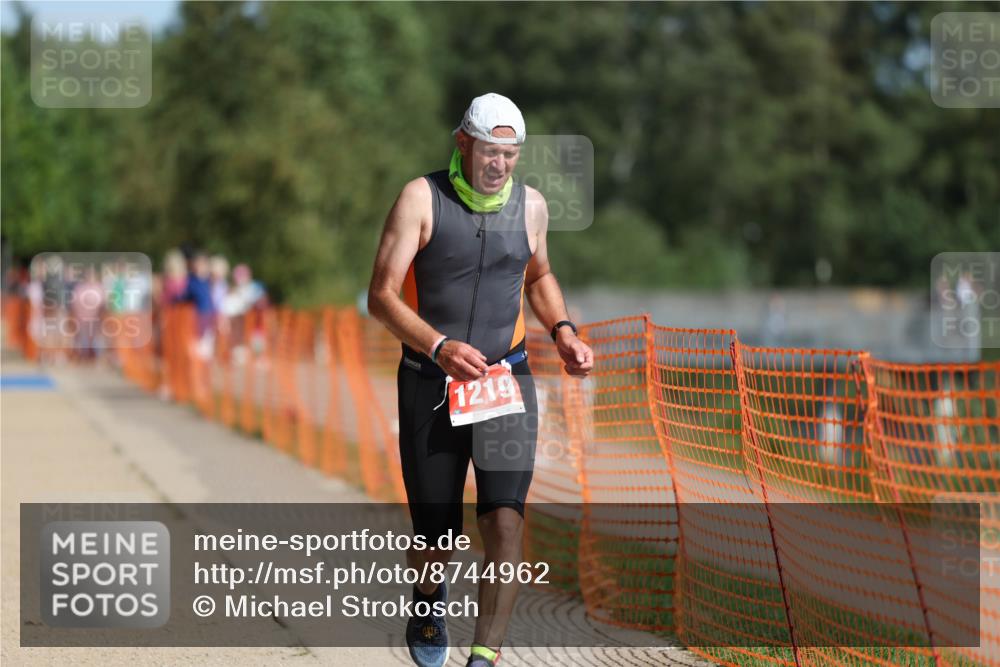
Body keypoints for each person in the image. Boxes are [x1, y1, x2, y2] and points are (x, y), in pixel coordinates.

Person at [367, 92, 594, 667]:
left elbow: (538, 275)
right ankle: (427, 601)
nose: (500, 164)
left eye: (510, 155)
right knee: (435, 531)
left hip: (505, 382)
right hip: (430, 381)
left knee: (504, 520)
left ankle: (483, 657)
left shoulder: (532, 207)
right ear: (463, 143)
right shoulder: (421, 199)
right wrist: (438, 346)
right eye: (490, 151)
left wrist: (564, 331)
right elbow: (381, 296)